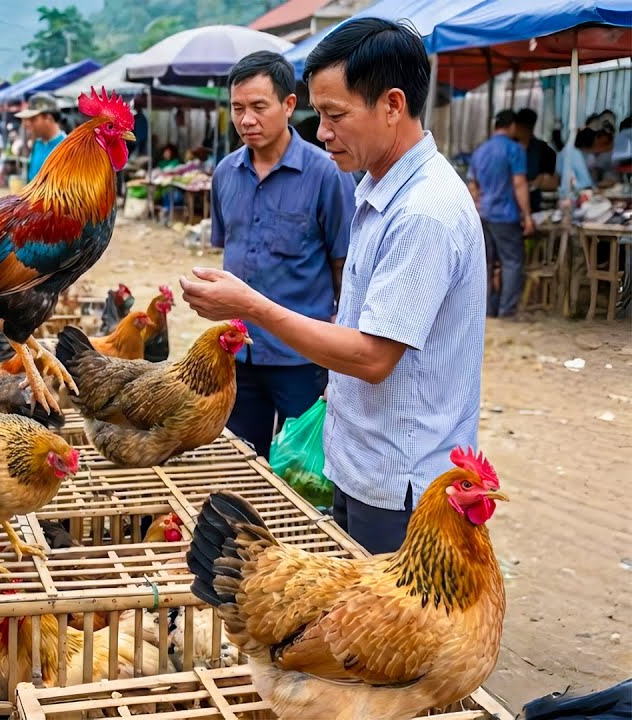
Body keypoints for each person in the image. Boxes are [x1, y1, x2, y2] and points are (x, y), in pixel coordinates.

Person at [180, 18, 485, 555]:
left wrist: (252, 306)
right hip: (363, 457)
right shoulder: (377, 187)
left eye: (334, 115)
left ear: (392, 105)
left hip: (400, 477)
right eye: (319, 114)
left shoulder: (423, 212)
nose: (321, 132)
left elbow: (372, 357)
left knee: (389, 633)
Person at [207, 51, 355, 460]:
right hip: (237, 352)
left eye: (258, 107)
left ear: (289, 105)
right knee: (240, 462)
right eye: (238, 108)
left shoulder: (327, 174)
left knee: (304, 471)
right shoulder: (225, 174)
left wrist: (339, 356)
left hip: (301, 359)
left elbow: (344, 266)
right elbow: (230, 249)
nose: (246, 120)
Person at [468, 110, 533, 320]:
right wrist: (528, 215)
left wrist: (478, 207)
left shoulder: (480, 151)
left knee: (486, 264)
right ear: (512, 126)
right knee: (512, 262)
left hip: (484, 215)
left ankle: (487, 310)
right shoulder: (515, 149)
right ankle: (507, 312)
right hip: (506, 216)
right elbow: (519, 183)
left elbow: (472, 186)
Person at [512, 108, 557, 213]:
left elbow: (548, 178)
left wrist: (539, 180)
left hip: (534, 203)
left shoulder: (544, 150)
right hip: (512, 204)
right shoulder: (509, 147)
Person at [16, 94, 67, 182]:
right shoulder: (37, 144)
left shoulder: (67, 147)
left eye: (33, 119)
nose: (27, 124)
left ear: (48, 118)